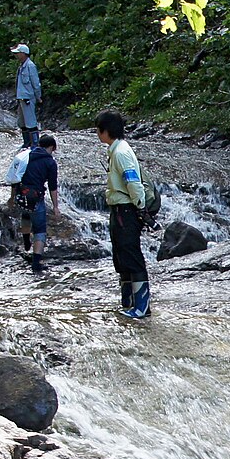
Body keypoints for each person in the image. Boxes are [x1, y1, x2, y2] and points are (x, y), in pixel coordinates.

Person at [97, 111, 150, 318]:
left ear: (105, 130)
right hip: (120, 210)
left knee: (131, 254)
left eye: (98, 129)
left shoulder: (120, 153)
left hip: (126, 210)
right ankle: (128, 302)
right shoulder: (116, 150)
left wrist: (140, 208)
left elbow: (133, 182)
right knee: (122, 256)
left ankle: (141, 307)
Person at [21, 133, 59, 274]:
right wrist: (55, 207)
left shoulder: (26, 156)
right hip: (36, 196)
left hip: (22, 194)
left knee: (25, 216)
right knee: (40, 229)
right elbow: (53, 186)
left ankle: (26, 241)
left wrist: (12, 198)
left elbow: (15, 176)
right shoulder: (50, 162)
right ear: (51, 147)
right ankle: (36, 263)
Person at [11, 42, 41, 148]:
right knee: (22, 122)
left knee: (31, 122)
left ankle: (35, 144)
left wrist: (38, 96)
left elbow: (35, 83)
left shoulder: (30, 66)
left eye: (18, 53)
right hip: (21, 98)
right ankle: (26, 143)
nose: (16, 55)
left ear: (24, 53)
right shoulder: (22, 66)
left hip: (28, 97)